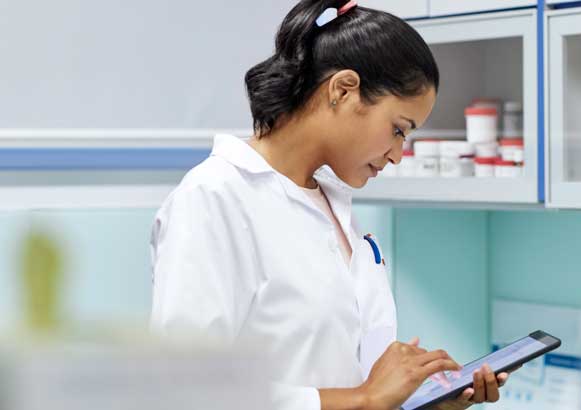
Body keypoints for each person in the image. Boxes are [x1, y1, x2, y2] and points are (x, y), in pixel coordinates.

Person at [149, 1, 512, 409]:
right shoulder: (214, 199)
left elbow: (340, 375)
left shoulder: (329, 202)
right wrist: (366, 399)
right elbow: (184, 390)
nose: (397, 154)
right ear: (343, 89)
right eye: (398, 129)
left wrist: (414, 401)